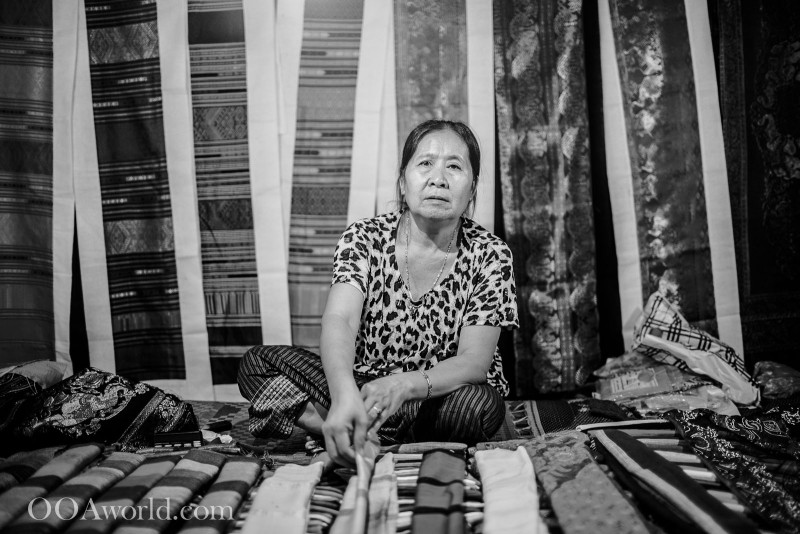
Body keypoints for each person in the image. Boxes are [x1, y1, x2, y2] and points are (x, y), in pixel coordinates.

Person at [238, 119, 518, 466]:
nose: (439, 178)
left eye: (455, 167)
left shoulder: (491, 254)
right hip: (365, 385)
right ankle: (350, 421)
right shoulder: (364, 238)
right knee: (256, 364)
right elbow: (340, 319)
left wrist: (402, 386)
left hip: (436, 393)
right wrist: (344, 396)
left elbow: (474, 362)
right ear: (403, 182)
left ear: (472, 187)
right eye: (425, 163)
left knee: (478, 408)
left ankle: (351, 433)